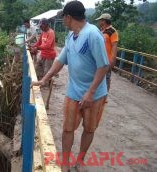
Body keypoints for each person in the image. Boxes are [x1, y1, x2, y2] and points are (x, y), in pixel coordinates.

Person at [32, 1, 109, 172]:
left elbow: (103, 66)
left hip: (94, 94)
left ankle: (80, 160)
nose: (63, 21)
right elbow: (60, 61)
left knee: (89, 129)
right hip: (74, 91)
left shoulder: (93, 35)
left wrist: (90, 92)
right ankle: (65, 162)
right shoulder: (71, 35)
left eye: (64, 18)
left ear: (68, 17)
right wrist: (44, 79)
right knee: (68, 128)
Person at [96, 13, 119, 92]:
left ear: (104, 21)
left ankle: (104, 97)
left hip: (107, 60)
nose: (99, 22)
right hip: (99, 59)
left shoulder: (112, 31)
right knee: (97, 78)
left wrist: (112, 60)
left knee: (106, 78)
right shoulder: (101, 31)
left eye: (100, 20)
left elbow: (114, 46)